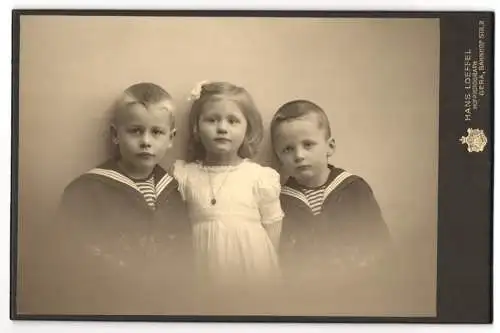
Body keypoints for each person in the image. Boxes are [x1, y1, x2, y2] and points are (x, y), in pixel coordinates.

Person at [57, 82, 191, 314]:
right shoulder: (85, 192)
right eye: (135, 130)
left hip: (165, 303)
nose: (146, 141)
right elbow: (70, 259)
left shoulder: (173, 190)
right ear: (115, 135)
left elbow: (184, 251)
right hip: (108, 303)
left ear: (171, 138)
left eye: (157, 132)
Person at [270, 99, 392, 291]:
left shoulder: (354, 189)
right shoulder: (281, 201)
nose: (299, 155)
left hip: (357, 287)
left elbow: (379, 243)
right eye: (288, 149)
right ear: (278, 157)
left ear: (330, 147)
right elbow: (281, 256)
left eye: (308, 144)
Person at [173, 81, 283, 292]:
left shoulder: (259, 177)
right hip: (202, 264)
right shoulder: (185, 175)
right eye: (212, 120)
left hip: (251, 266)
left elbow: (273, 231)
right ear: (196, 128)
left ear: (247, 129)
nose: (222, 128)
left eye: (233, 121)